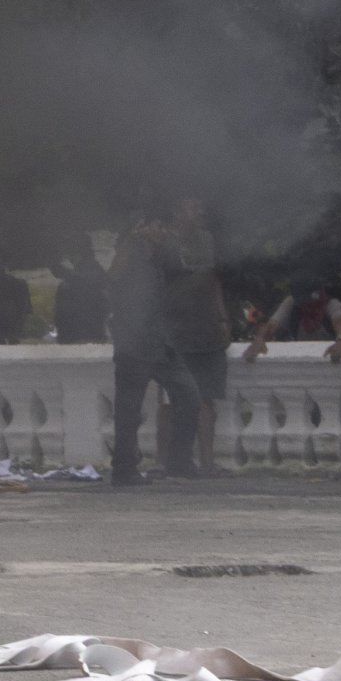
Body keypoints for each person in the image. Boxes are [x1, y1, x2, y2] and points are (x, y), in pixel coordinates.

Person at [105, 207, 206, 483]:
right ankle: (124, 469)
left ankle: (178, 461)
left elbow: (182, 270)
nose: (163, 231)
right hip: (133, 344)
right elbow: (112, 276)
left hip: (160, 343)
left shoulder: (158, 256)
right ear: (141, 227)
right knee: (128, 412)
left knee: (190, 397)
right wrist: (130, 241)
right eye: (157, 226)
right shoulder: (130, 253)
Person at [164, 200, 232, 471]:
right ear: (177, 212)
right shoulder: (165, 243)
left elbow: (213, 281)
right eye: (192, 208)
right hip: (176, 332)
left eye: (200, 208)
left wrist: (224, 317)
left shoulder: (207, 240)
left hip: (207, 332)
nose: (199, 213)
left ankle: (207, 462)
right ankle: (166, 461)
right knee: (170, 401)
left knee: (207, 398)